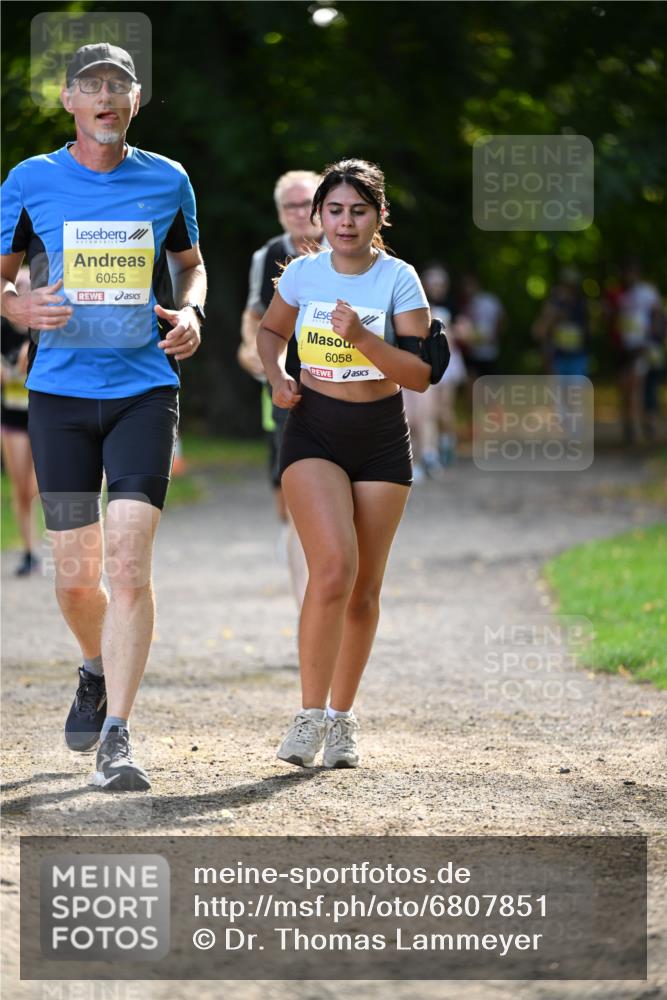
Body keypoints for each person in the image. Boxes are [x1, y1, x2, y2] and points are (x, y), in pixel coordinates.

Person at [0, 43, 206, 791]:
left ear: (136, 99)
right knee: (77, 577)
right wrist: (16, 304)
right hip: (56, 396)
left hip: (143, 389)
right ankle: (92, 666)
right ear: (69, 102)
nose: (106, 98)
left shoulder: (166, 178)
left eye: (118, 87)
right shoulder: (30, 180)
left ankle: (117, 733)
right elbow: (0, 280)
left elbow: (189, 262)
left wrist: (193, 309)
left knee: (127, 561)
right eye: (92, 87)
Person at [257, 158, 432, 769]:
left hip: (381, 437)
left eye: (359, 210)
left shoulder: (399, 279)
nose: (346, 221)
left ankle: (342, 718)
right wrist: (278, 376)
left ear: (379, 215)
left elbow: (421, 375)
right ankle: (307, 718)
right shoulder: (302, 274)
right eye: (335, 210)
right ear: (318, 216)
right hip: (314, 433)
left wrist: (361, 338)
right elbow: (271, 332)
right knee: (332, 568)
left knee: (363, 589)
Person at [237, 170, 324, 607]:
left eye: (306, 204)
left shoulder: (347, 251)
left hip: (340, 385)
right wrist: (256, 355)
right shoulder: (268, 254)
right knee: (289, 496)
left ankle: (320, 576)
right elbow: (255, 315)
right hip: (287, 389)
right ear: (279, 213)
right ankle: (304, 602)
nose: (299, 213)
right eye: (290, 206)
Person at [1, 267, 40, 575]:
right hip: (12, 418)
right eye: (19, 284)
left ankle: (60, 542)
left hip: (43, 415)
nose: (24, 289)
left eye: (29, 284)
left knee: (40, 485)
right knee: (20, 488)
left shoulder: (41, 327)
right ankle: (29, 553)